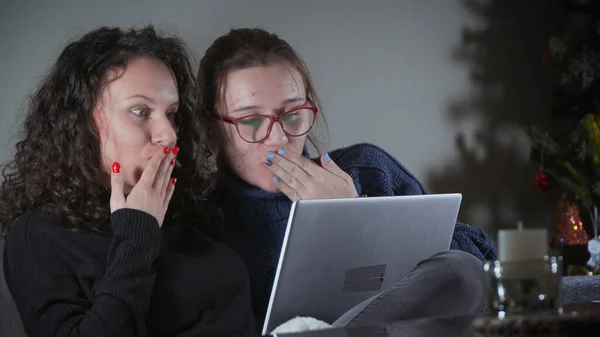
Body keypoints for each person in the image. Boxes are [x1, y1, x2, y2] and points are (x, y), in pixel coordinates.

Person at [196, 28, 498, 330]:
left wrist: (355, 213)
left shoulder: (366, 170)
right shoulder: (201, 222)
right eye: (250, 120)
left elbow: (479, 269)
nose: (278, 138)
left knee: (461, 270)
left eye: (291, 115)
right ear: (212, 129)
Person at [0, 26, 256, 337]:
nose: (169, 134)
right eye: (141, 111)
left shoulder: (189, 207)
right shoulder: (39, 235)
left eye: (171, 113)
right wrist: (138, 232)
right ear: (82, 122)